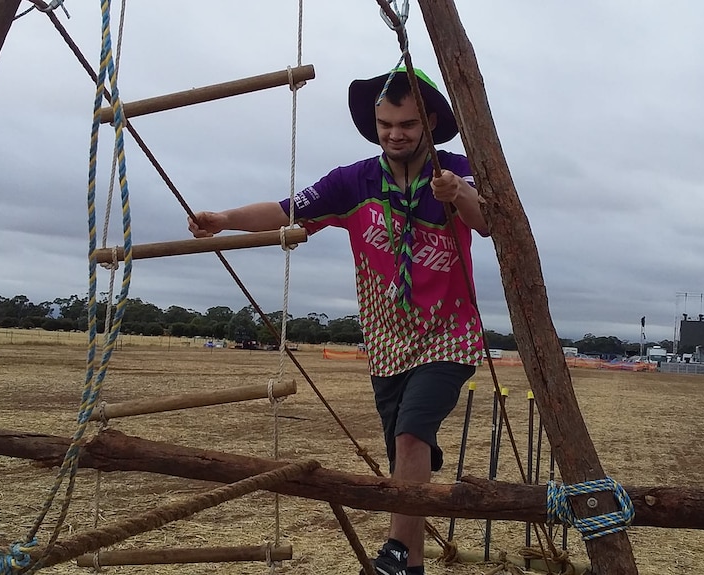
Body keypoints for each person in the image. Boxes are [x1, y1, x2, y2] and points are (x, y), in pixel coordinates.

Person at [189, 67, 488, 575]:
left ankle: (392, 549)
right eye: (386, 123)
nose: (395, 134)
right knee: (403, 453)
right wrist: (223, 220)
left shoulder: (458, 170)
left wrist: (458, 193)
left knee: (412, 437)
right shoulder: (352, 182)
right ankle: (409, 564)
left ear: (431, 123)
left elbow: (490, 223)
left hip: (449, 334)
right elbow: (286, 209)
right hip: (386, 341)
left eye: (408, 124)